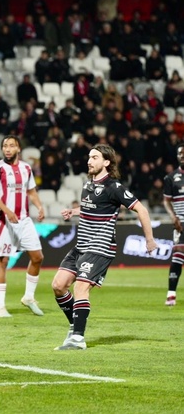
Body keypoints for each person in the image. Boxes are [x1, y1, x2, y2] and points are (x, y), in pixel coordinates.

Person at [52, 144, 157, 350]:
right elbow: (93, 206)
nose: (89, 161)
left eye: (95, 157)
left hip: (100, 246)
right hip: (82, 244)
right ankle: (75, 326)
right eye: (89, 157)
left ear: (106, 162)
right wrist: (74, 211)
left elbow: (141, 210)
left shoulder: (114, 187)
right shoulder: (87, 184)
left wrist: (150, 239)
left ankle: (78, 339)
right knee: (58, 285)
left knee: (80, 286)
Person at [0, 135, 46, 318]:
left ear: (18, 148)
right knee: (3, 261)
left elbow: (31, 192)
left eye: (11, 146)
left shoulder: (26, 168)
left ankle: (28, 297)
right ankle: (0, 306)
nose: (7, 149)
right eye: (5, 146)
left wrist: (39, 206)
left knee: (37, 257)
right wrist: (7, 211)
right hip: (4, 220)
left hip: (24, 219)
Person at [163, 144, 184, 306]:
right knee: (178, 255)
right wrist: (173, 217)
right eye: (180, 153)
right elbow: (166, 201)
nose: (182, 155)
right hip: (181, 224)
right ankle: (171, 294)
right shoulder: (171, 178)